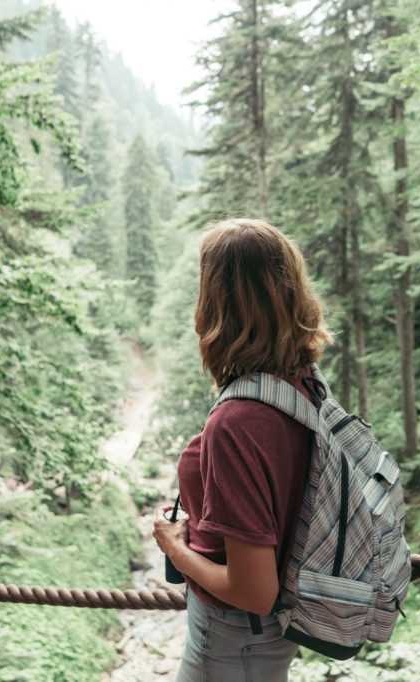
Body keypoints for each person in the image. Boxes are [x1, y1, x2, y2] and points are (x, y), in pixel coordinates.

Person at [152, 218, 333, 682]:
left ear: (215, 305)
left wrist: (175, 549)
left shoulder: (237, 422)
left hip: (234, 641)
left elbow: (253, 591)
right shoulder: (301, 382)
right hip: (266, 634)